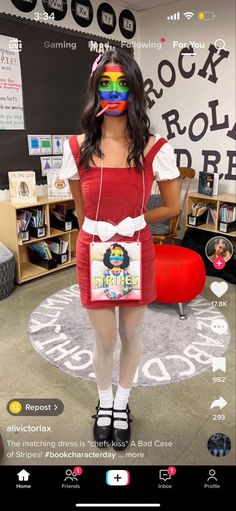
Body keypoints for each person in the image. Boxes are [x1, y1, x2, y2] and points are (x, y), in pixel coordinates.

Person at [60, 48, 180, 450]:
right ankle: (105, 402)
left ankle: (122, 403)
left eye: (122, 83)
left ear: (134, 90)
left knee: (130, 335)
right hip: (93, 251)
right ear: (96, 88)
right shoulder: (76, 148)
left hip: (136, 250)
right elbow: (79, 209)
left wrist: (138, 220)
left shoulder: (153, 148)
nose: (114, 91)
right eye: (105, 83)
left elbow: (173, 206)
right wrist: (97, 231)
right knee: (104, 339)